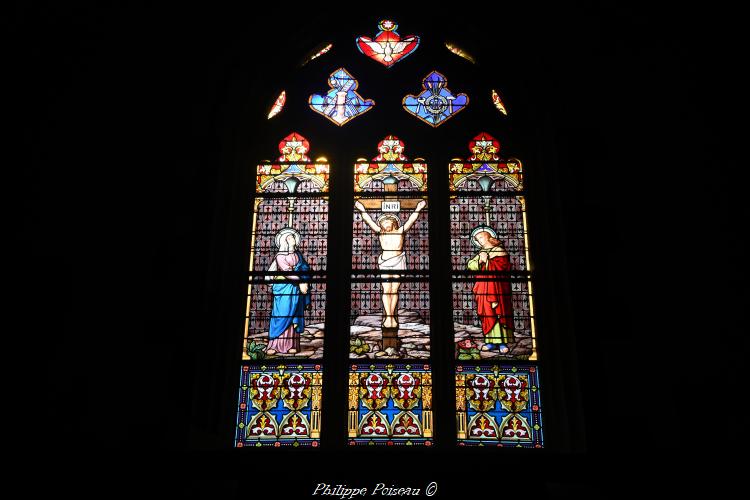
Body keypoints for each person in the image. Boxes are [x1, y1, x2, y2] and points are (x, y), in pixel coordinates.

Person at [355, 199, 426, 328]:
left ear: (394, 223)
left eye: (388, 222)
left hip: (398, 261)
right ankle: (388, 318)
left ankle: (392, 316)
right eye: (383, 222)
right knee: (386, 290)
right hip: (385, 263)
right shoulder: (381, 233)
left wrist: (418, 208)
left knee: (394, 290)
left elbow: (411, 220)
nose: (385, 224)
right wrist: (361, 209)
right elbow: (369, 221)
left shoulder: (400, 232)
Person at [467, 226, 514, 354]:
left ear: (489, 236)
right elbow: (471, 265)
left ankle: (502, 343)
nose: (480, 241)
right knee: (487, 313)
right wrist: (480, 260)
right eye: (477, 239)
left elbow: (503, 267)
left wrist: (487, 261)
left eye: (481, 237)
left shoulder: (499, 251)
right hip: (483, 288)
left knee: (499, 312)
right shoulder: (481, 252)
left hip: (497, 287)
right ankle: (490, 342)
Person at [266, 228, 311, 355]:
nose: (293, 240)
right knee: (281, 314)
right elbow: (287, 272)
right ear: (285, 241)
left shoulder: (297, 255)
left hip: (295, 289)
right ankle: (274, 345)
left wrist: (304, 279)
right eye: (290, 238)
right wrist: (301, 281)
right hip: (284, 288)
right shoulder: (280, 256)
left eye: (293, 237)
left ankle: (292, 344)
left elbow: (304, 268)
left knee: (293, 315)